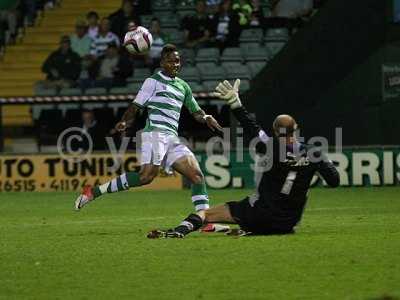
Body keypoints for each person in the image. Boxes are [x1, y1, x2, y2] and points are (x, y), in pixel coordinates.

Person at [147, 79, 340, 238]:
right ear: (296, 128)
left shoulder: (268, 146)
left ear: (274, 130)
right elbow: (334, 181)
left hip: (259, 215)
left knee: (205, 213)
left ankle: (179, 231)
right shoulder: (314, 153)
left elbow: (250, 126)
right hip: (287, 223)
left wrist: (235, 103)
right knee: (247, 223)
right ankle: (241, 230)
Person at [75, 44, 223, 218]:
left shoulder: (183, 86)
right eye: (171, 61)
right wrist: (125, 121)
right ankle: (93, 192)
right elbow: (136, 106)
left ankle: (204, 220)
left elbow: (195, 111)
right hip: (155, 134)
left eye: (177, 61)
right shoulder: (152, 82)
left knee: (197, 176)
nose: (175, 64)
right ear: (162, 63)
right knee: (146, 177)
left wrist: (206, 117)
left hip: (172, 138)